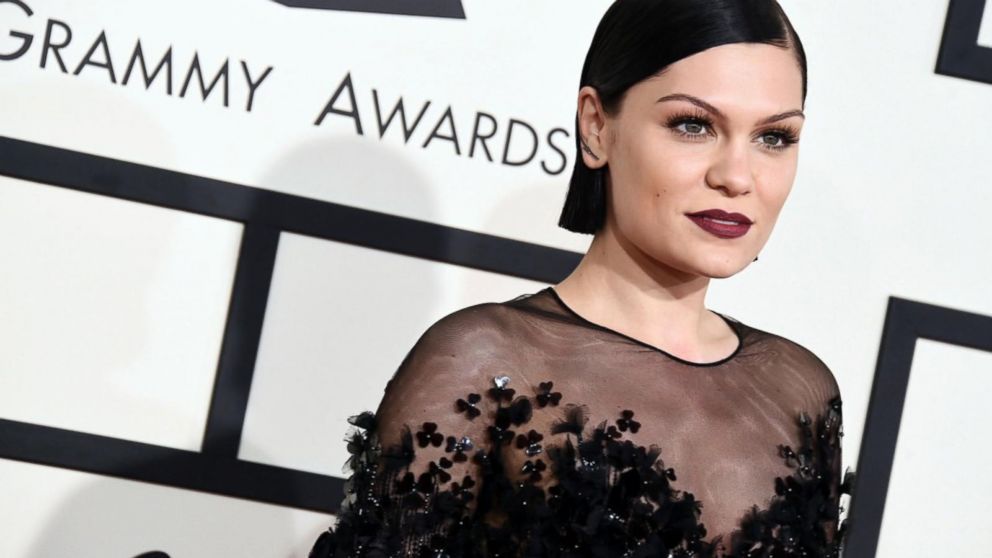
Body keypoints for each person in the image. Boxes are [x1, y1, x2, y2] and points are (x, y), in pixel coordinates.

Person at [309, 1, 856, 556]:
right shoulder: (486, 364)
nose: (737, 177)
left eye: (774, 137)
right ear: (596, 126)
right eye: (693, 126)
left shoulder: (799, 390)